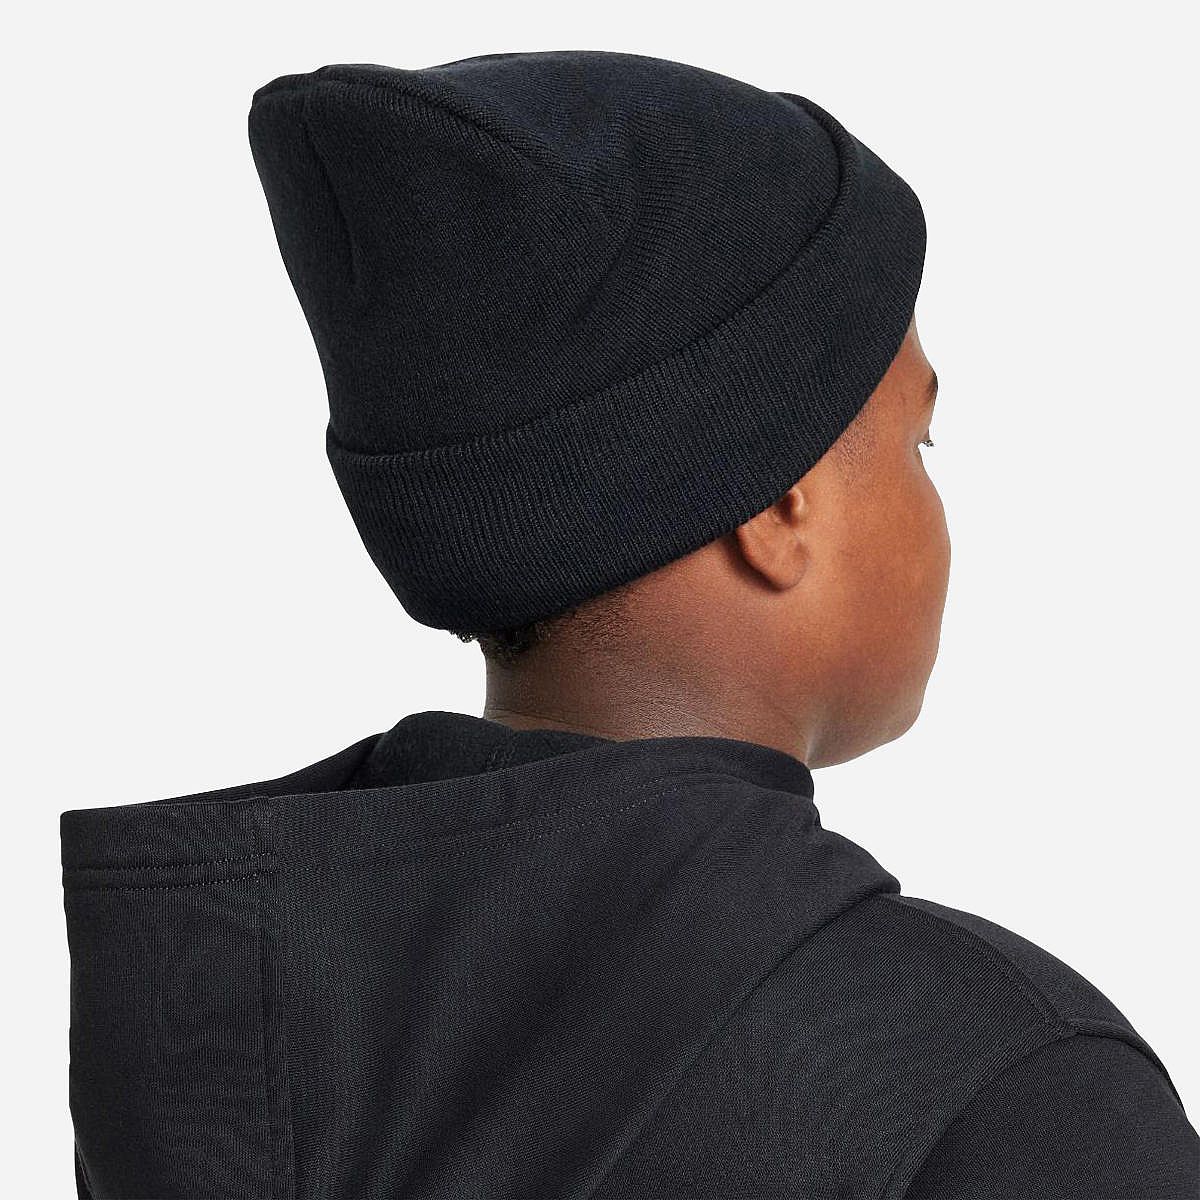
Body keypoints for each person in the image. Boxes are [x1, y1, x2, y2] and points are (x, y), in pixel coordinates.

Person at [61, 50, 1197, 1199]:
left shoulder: (212, 1023)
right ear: (778, 506)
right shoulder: (1004, 1092)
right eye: (920, 442)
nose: (936, 500)